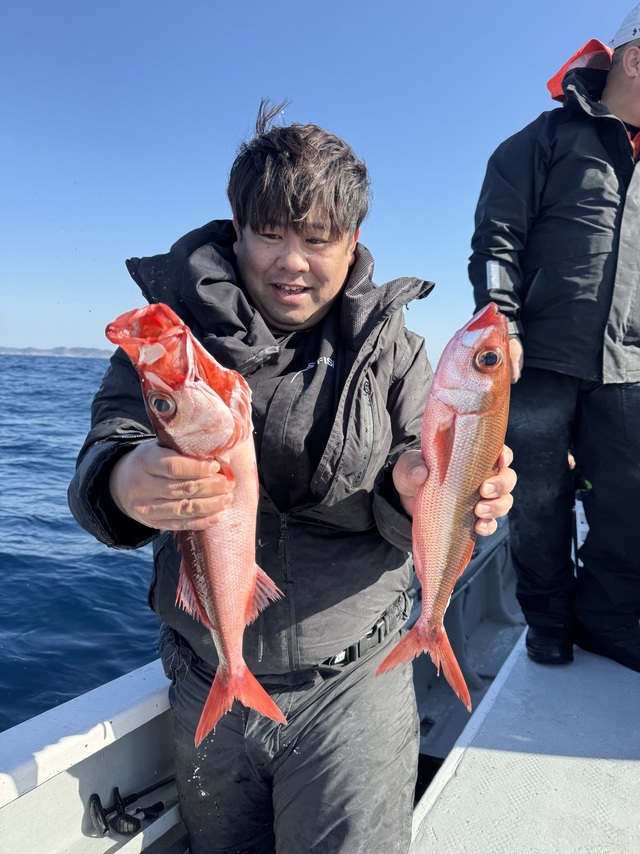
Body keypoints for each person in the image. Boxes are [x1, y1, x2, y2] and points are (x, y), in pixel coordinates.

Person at [69, 102, 515, 854]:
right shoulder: (168, 342)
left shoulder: (398, 355)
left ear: (352, 243)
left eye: (317, 239)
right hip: (206, 677)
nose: (292, 261)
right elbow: (109, 441)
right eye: (271, 234)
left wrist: (420, 492)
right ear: (237, 230)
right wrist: (122, 480)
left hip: (354, 687)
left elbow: (421, 467)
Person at [469, 5, 640, 672]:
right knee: (538, 500)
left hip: (629, 367)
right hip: (536, 359)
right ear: (634, 59)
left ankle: (604, 619)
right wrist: (504, 323)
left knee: (628, 501)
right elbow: (496, 241)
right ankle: (548, 620)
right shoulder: (544, 139)